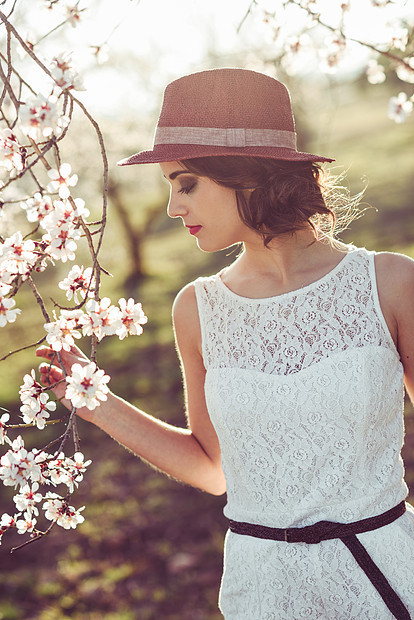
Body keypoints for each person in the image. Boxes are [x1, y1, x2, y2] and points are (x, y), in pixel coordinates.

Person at [37, 68, 414, 619]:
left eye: (185, 183)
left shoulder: (390, 283)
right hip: (262, 591)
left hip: (383, 575)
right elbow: (214, 469)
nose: (173, 207)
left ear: (247, 176)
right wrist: (97, 406)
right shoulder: (198, 309)